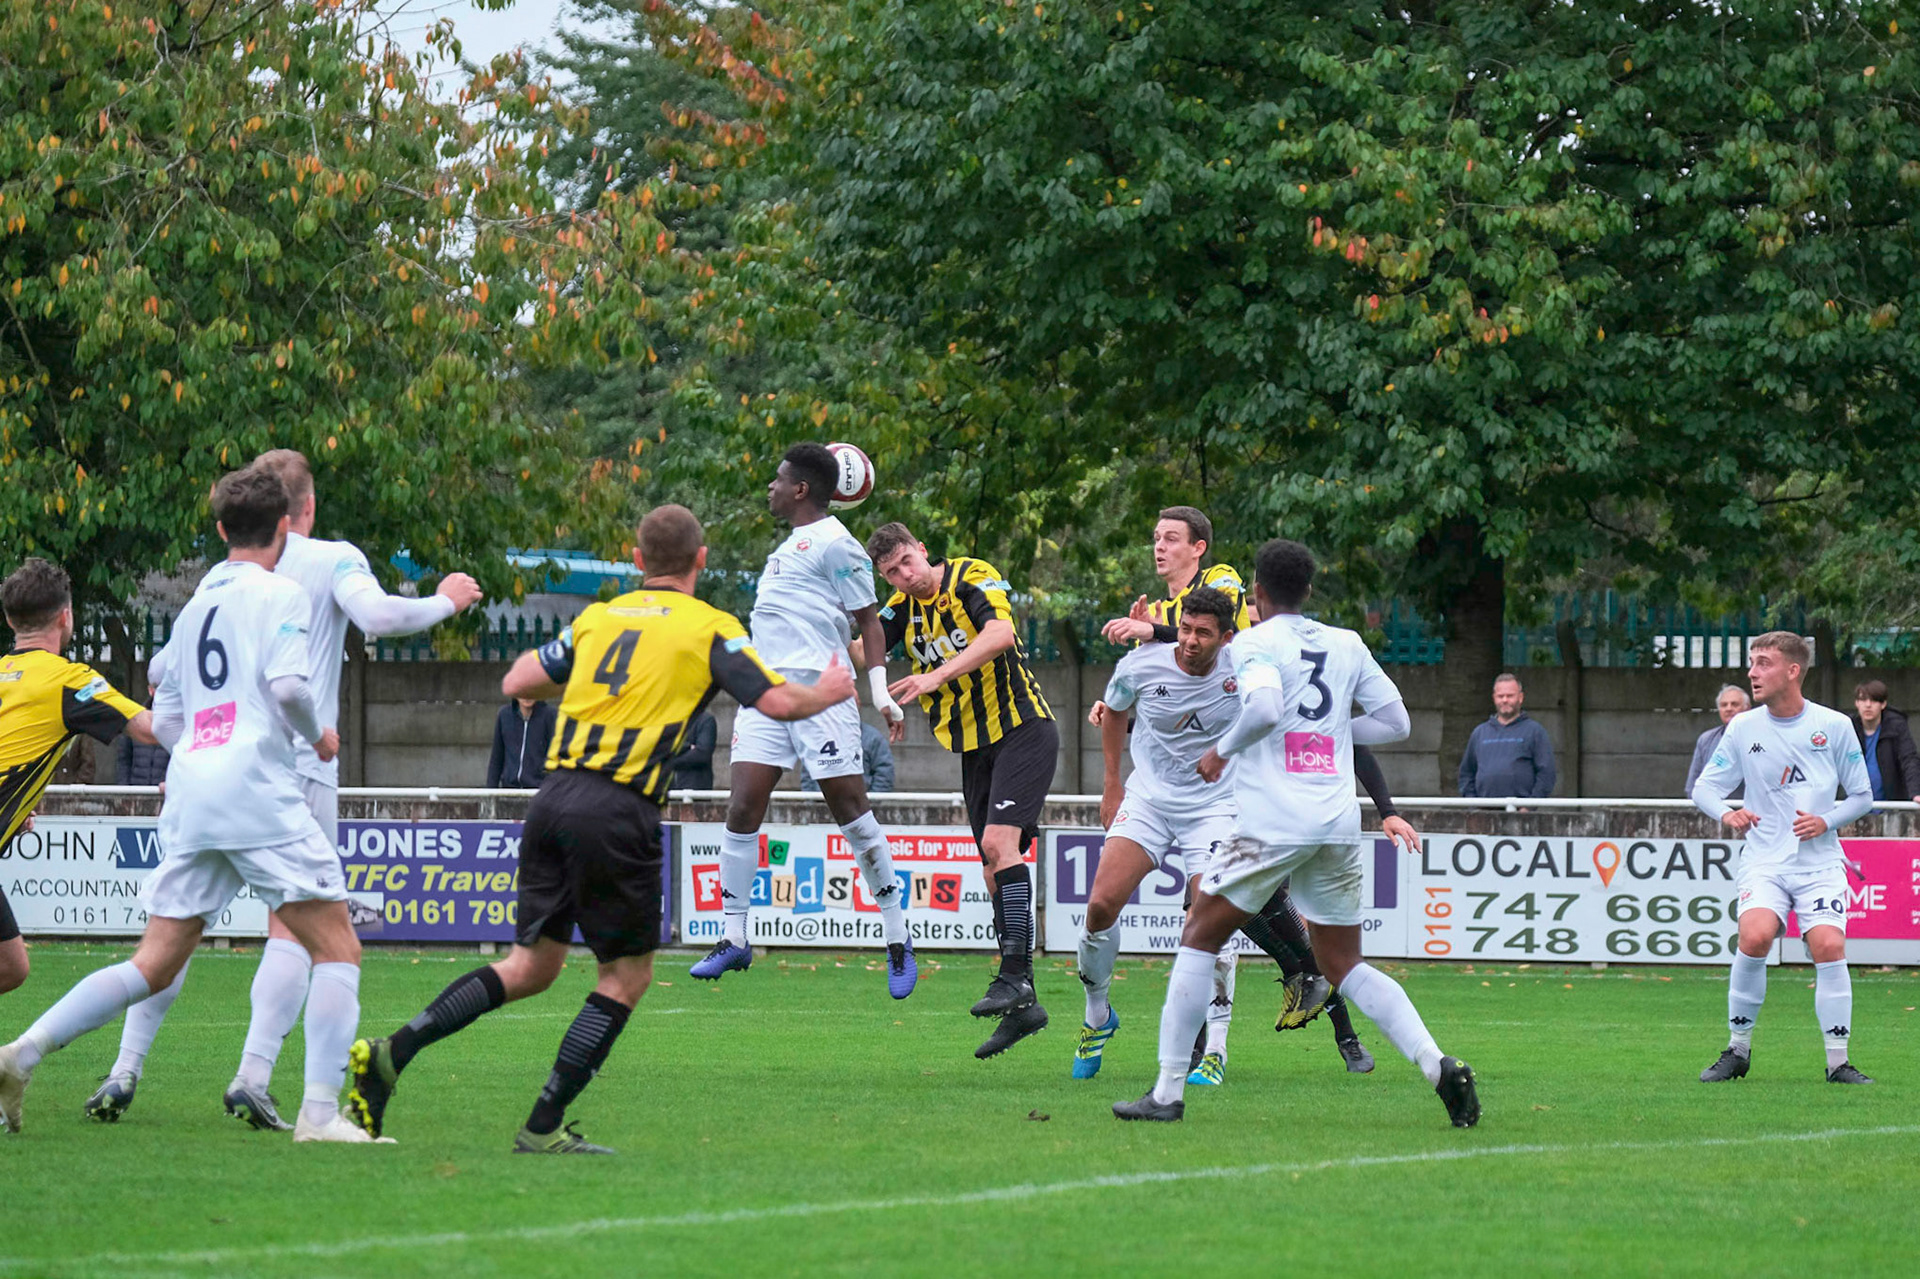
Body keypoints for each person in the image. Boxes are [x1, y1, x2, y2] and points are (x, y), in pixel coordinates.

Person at [345, 505, 854, 1152]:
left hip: (553, 797)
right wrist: (833, 689)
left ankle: (393, 1052)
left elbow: (517, 678)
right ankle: (541, 1126)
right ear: (700, 560)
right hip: (618, 805)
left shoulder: (597, 616)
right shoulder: (711, 626)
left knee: (530, 965)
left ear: (637, 561)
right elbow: (778, 700)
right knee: (625, 977)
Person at [84, 448, 483, 1128]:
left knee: (173, 933)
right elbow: (379, 617)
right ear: (307, 508)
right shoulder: (329, 558)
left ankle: (124, 1067)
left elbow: (160, 668)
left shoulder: (224, 574)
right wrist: (447, 598)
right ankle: (258, 1075)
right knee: (306, 933)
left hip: (206, 768)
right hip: (292, 767)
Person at [0, 468, 380, 1142]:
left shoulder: (197, 602)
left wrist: (200, 749)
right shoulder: (283, 591)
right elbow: (292, 686)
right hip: (256, 788)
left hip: (195, 787)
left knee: (155, 962)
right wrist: (316, 731)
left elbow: (166, 708)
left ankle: (20, 1053)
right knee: (338, 945)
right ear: (285, 527)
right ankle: (319, 1114)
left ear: (219, 530)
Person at [1113, 538, 1479, 1127]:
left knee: (1198, 936)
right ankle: (1439, 1067)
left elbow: (1260, 711)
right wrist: (1332, 728)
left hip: (1271, 823)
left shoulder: (1255, 643)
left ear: (1255, 593)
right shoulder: (1347, 642)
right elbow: (1397, 721)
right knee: (1344, 963)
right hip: (1335, 823)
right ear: (1308, 591)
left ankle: (1166, 1091)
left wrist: (1219, 751)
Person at [691, 444, 914, 997]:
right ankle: (734, 937)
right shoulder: (787, 546)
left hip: (822, 690)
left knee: (850, 810)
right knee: (742, 805)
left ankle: (897, 937)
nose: (770, 486)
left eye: (778, 478)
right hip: (768, 693)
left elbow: (870, 621)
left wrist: (881, 694)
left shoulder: (839, 543)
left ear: (801, 490)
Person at [869, 522, 1057, 1059]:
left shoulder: (970, 575)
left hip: (1023, 727)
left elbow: (999, 634)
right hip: (975, 748)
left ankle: (1014, 977)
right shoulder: (898, 607)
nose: (905, 577)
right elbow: (867, 648)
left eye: (907, 562)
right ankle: (1025, 1009)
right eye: (891, 573)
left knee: (1002, 847)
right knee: (992, 869)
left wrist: (932, 678)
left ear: (922, 551)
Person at [1692, 632, 1875, 1085]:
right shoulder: (1743, 727)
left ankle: (1838, 1063)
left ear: (1793, 671)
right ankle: (1737, 1050)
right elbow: (1704, 788)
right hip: (1765, 861)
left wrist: (1825, 821)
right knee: (1753, 937)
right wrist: (1728, 812)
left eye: (1763, 663)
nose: (1753, 672)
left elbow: (1862, 796)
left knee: (1829, 947)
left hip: (1819, 863)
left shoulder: (1833, 725)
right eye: (1752, 663)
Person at [0, 560, 159, 997]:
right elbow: (148, 728)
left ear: (11, 620)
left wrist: (14, 809)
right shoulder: (69, 680)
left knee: (10, 965)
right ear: (66, 616)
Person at [1098, 506, 1252, 646]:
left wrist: (1158, 632)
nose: (1159, 546)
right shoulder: (1151, 613)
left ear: (1198, 549)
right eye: (1157, 539)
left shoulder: (1220, 577)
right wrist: (1152, 642)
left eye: (1171, 539)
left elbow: (1214, 636)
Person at [1457, 673, 1557, 798]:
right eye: (1500, 696)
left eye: (1510, 696)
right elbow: (1466, 774)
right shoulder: (1479, 733)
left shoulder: (1535, 732)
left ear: (1520, 697)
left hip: (1520, 813)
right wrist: (1474, 806)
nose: (1505, 700)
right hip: (1484, 812)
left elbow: (1546, 774)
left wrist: (1528, 807)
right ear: (1494, 698)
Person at [1849, 679, 1920, 802]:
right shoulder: (1848, 727)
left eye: (1874, 700)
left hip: (1891, 805)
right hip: (1855, 804)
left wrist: (1915, 793)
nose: (1868, 705)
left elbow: (1909, 759)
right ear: (1856, 703)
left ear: (1883, 704)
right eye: (1863, 700)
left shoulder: (1897, 727)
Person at [1684, 684, 1750, 797]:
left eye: (1734, 704)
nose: (1729, 709)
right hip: (1715, 811)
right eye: (1724, 705)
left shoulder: (1760, 736)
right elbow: (1693, 785)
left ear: (1747, 708)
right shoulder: (1706, 740)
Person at [801, 719, 895, 794]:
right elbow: (808, 771)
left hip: (860, 807)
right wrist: (812, 803)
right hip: (822, 805)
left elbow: (884, 773)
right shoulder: (819, 737)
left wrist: (871, 804)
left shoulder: (872, 737)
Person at [487, 696, 557, 788]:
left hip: (538, 791)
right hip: (509, 790)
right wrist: (490, 792)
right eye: (522, 689)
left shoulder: (550, 715)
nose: (527, 695)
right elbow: (496, 758)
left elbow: (555, 757)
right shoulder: (504, 715)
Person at [666, 710, 718, 791]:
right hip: (667, 790)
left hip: (695, 791)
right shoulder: (667, 720)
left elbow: (702, 754)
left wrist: (668, 762)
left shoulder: (705, 719)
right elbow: (658, 748)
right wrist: (687, 747)